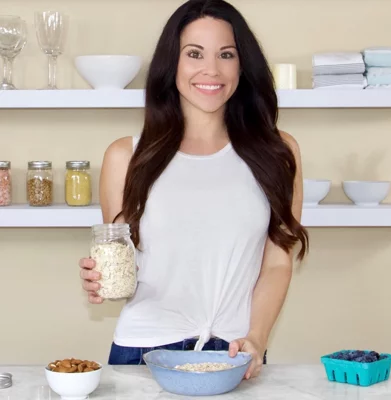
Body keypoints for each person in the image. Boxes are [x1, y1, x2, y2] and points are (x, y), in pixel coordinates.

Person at [79, 0, 309, 380]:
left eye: (226, 54)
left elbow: (277, 263)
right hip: (143, 352)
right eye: (194, 53)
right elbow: (123, 262)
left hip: (237, 353)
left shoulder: (279, 153)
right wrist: (101, 278)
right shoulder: (125, 156)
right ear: (173, 64)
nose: (211, 69)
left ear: (242, 65)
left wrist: (257, 338)